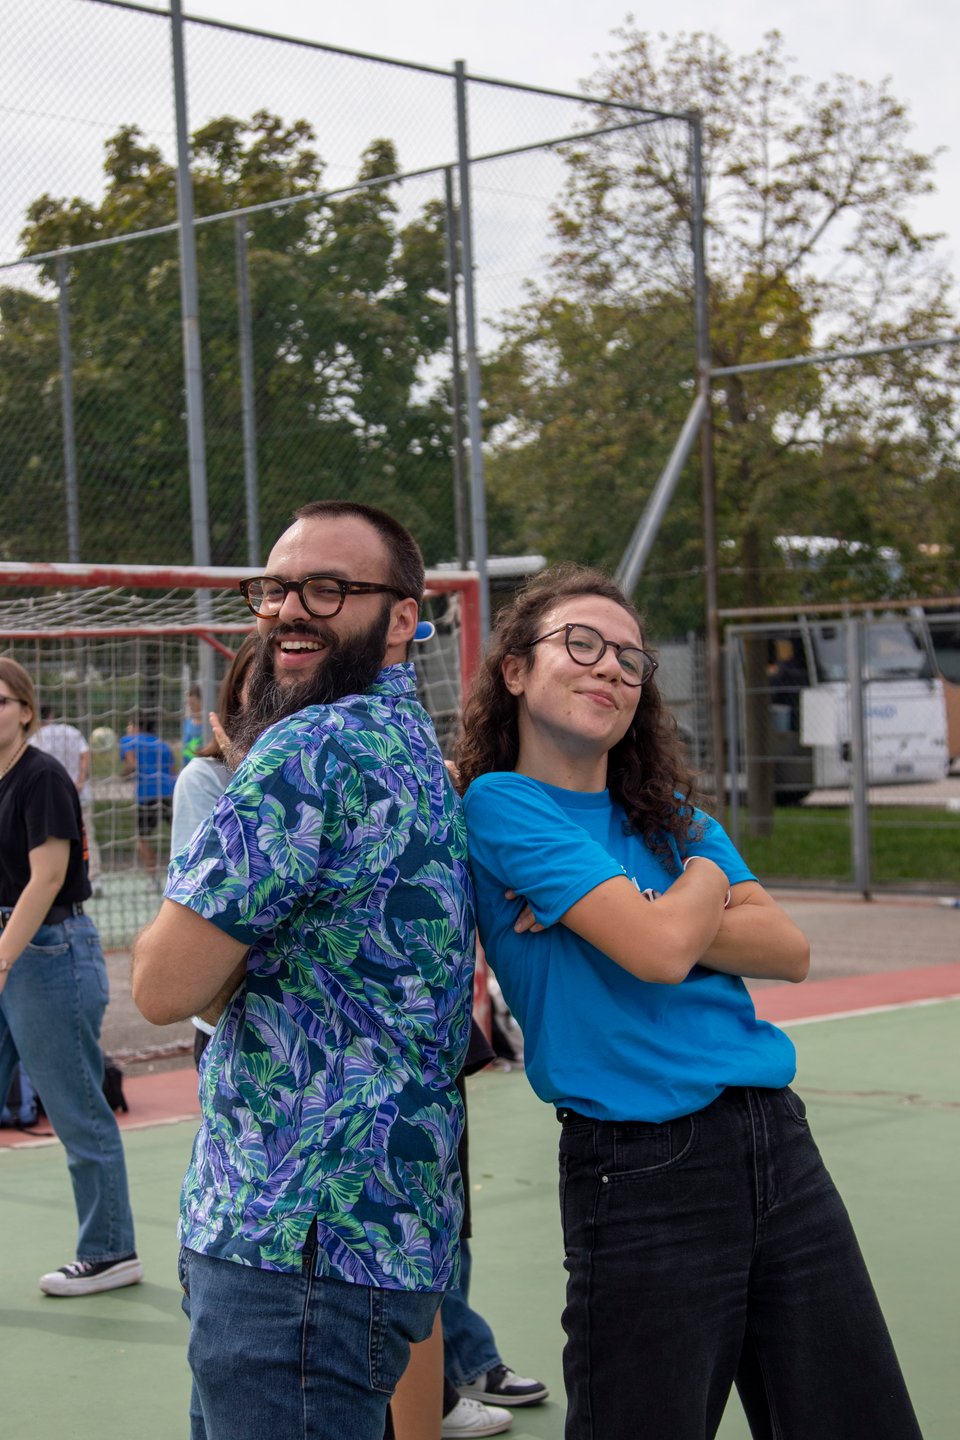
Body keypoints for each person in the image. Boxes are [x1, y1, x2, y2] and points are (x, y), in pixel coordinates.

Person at [453, 564, 923, 1440]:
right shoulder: (502, 804)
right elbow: (661, 952)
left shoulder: (662, 811)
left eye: (630, 658)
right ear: (514, 669)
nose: (610, 667)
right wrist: (702, 883)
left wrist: (639, 905)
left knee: (856, 1416)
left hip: (777, 1142)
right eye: (581, 644)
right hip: (641, 1167)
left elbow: (787, 949)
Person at [132, 500, 476, 1440]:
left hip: (292, 1242)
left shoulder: (309, 748)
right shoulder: (415, 746)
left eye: (328, 588)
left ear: (402, 618)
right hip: (382, 1234)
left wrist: (223, 952)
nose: (290, 609)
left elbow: (161, 987)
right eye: (276, 587)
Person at [0, 657, 142, 1296]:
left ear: (26, 711)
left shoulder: (43, 778)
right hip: (11, 947)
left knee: (76, 1109)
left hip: (48, 952)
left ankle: (111, 1252)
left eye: (0, 701)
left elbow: (49, 876)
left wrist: (3, 958)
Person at [169, 634, 258, 1068]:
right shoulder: (207, 778)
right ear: (238, 693)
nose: (280, 693)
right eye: (261, 681)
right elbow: (207, 906)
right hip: (236, 1020)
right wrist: (256, 786)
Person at [31, 703, 102, 892]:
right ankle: (94, 878)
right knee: (87, 836)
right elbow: (85, 755)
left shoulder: (35, 739)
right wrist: (80, 780)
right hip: (79, 794)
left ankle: (57, 878)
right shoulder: (71, 731)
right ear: (51, 714)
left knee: (52, 839)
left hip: (50, 800)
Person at [119, 712, 176, 878]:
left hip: (147, 795)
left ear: (136, 726)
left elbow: (132, 765)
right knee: (178, 833)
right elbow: (172, 771)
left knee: (142, 838)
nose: (128, 728)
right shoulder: (163, 745)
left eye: (129, 725)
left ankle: (153, 876)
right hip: (169, 793)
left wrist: (123, 774)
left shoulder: (128, 741)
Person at [181, 684, 205, 765]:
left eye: (193, 703)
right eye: (189, 703)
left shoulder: (208, 724)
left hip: (202, 764)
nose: (190, 706)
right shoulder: (186, 723)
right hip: (187, 765)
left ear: (201, 701)